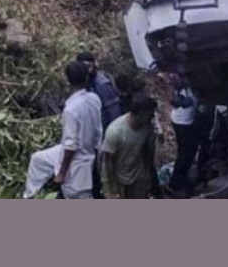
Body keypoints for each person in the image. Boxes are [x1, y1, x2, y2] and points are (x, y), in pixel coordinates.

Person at [23, 61, 102, 199]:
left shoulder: (71, 110)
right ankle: (30, 195)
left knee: (76, 194)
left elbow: (71, 146)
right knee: (38, 159)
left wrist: (61, 173)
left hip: (77, 159)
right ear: (86, 78)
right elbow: (98, 131)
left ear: (68, 80)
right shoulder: (94, 99)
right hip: (85, 150)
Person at [77, 51, 123, 198]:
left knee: (103, 172)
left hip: (103, 136)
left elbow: (114, 114)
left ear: (94, 65)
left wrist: (110, 142)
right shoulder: (86, 82)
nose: (87, 70)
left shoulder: (101, 85)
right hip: (91, 135)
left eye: (88, 66)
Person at [100, 95, 159, 199]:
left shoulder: (147, 126)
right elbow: (109, 162)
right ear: (138, 114)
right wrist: (112, 188)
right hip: (117, 177)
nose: (152, 117)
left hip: (137, 175)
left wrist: (147, 174)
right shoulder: (115, 132)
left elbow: (146, 150)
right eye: (149, 114)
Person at [167, 76, 202, 198]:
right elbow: (175, 99)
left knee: (189, 151)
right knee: (184, 153)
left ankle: (181, 180)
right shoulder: (183, 83)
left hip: (187, 120)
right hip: (181, 122)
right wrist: (183, 101)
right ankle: (175, 184)